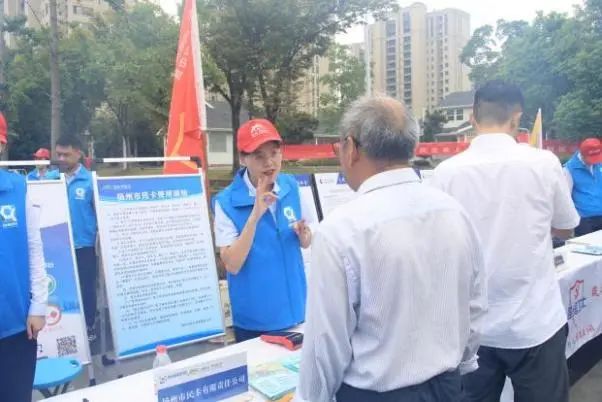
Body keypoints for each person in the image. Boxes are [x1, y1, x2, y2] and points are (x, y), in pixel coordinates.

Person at [295, 96, 487, 402]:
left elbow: (325, 345)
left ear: (351, 147)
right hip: (447, 386)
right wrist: (461, 363)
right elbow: (474, 303)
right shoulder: (454, 212)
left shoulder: (341, 230)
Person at [431, 80, 580, 402]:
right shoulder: (543, 163)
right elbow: (567, 227)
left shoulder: (445, 173)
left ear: (472, 117)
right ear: (517, 117)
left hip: (473, 329)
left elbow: (438, 245)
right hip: (535, 322)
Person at [213, 119, 313, 343]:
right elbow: (232, 264)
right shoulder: (226, 202)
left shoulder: (290, 186)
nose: (269, 162)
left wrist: (305, 236)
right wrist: (255, 214)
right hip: (256, 322)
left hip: (299, 309)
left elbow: (307, 239)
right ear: (243, 158)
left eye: (274, 153)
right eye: (259, 156)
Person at [0, 121, 48, 402]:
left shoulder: (18, 188)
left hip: (16, 322)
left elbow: (34, 248)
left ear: (2, 144)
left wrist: (38, 305)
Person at [55, 135, 98, 341]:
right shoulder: (52, 180)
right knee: (61, 286)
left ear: (78, 153)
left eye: (66, 154)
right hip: (58, 245)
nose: (61, 159)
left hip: (83, 246)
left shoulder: (90, 181)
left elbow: (98, 213)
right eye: (59, 154)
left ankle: (89, 325)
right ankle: (63, 325)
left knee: (86, 287)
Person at [564, 138, 602, 236]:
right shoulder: (569, 169)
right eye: (592, 158)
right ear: (582, 154)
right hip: (584, 219)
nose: (595, 161)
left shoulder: (599, 163)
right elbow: (565, 197)